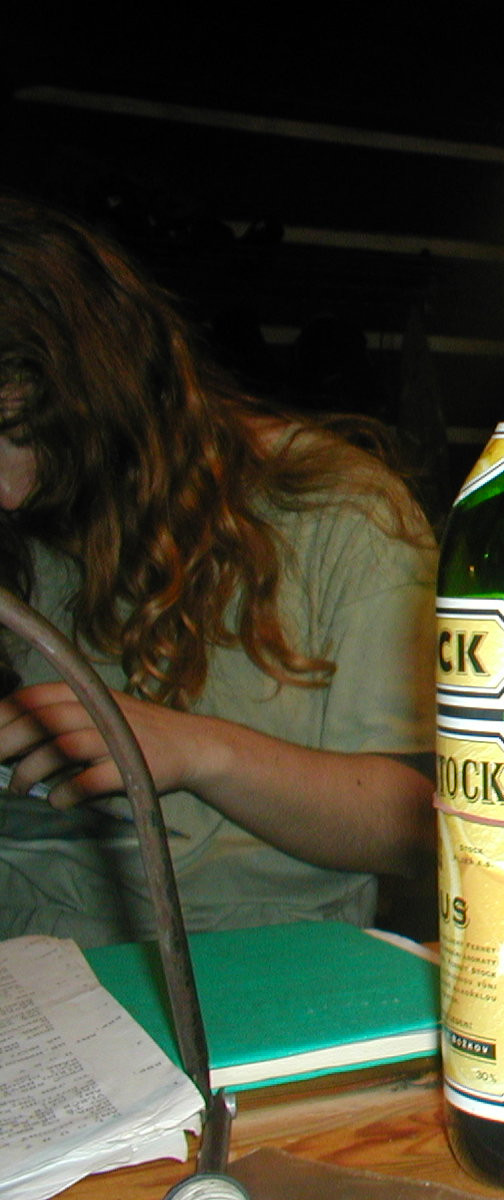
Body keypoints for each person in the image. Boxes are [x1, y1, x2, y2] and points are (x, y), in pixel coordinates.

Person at [0, 191, 438, 949]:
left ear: (101, 394)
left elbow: (416, 827)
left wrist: (201, 751)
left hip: (241, 954)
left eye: (19, 433)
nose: (7, 494)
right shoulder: (25, 520)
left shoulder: (343, 512)